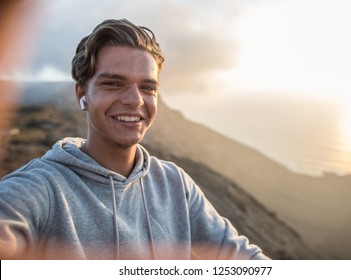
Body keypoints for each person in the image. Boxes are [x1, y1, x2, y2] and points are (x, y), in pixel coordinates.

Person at [0, 19, 269, 260]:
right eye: (113, 83)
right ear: (82, 93)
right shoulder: (41, 188)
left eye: (147, 87)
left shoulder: (175, 184)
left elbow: (243, 259)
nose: (135, 100)